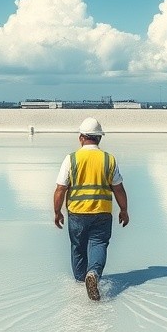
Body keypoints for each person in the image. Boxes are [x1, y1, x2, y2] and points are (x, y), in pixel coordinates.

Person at [53, 117, 130, 301]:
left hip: (77, 213)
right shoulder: (108, 159)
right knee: (99, 244)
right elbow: (118, 188)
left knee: (78, 247)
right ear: (99, 138)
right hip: (102, 213)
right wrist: (124, 210)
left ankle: (81, 282)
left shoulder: (71, 159)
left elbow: (60, 188)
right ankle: (93, 274)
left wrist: (57, 212)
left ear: (81, 138)